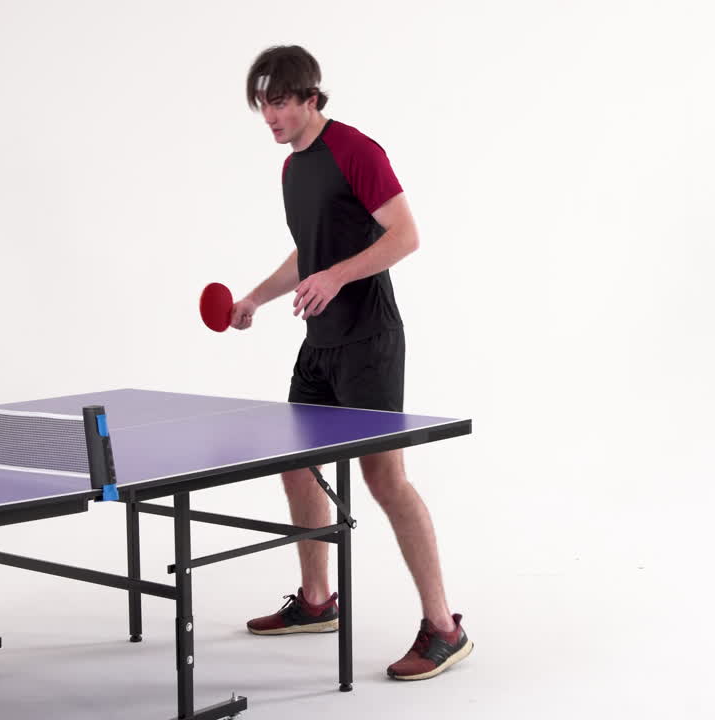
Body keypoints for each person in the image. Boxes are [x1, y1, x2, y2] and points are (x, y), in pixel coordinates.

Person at [230, 45, 471, 681]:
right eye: (263, 104)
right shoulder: (292, 170)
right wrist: (257, 296)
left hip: (369, 341)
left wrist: (336, 277)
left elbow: (405, 235)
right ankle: (316, 603)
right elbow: (309, 253)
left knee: (384, 480)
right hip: (319, 342)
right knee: (297, 468)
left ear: (311, 97)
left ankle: (444, 628)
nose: (270, 116)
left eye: (279, 101)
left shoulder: (355, 151)